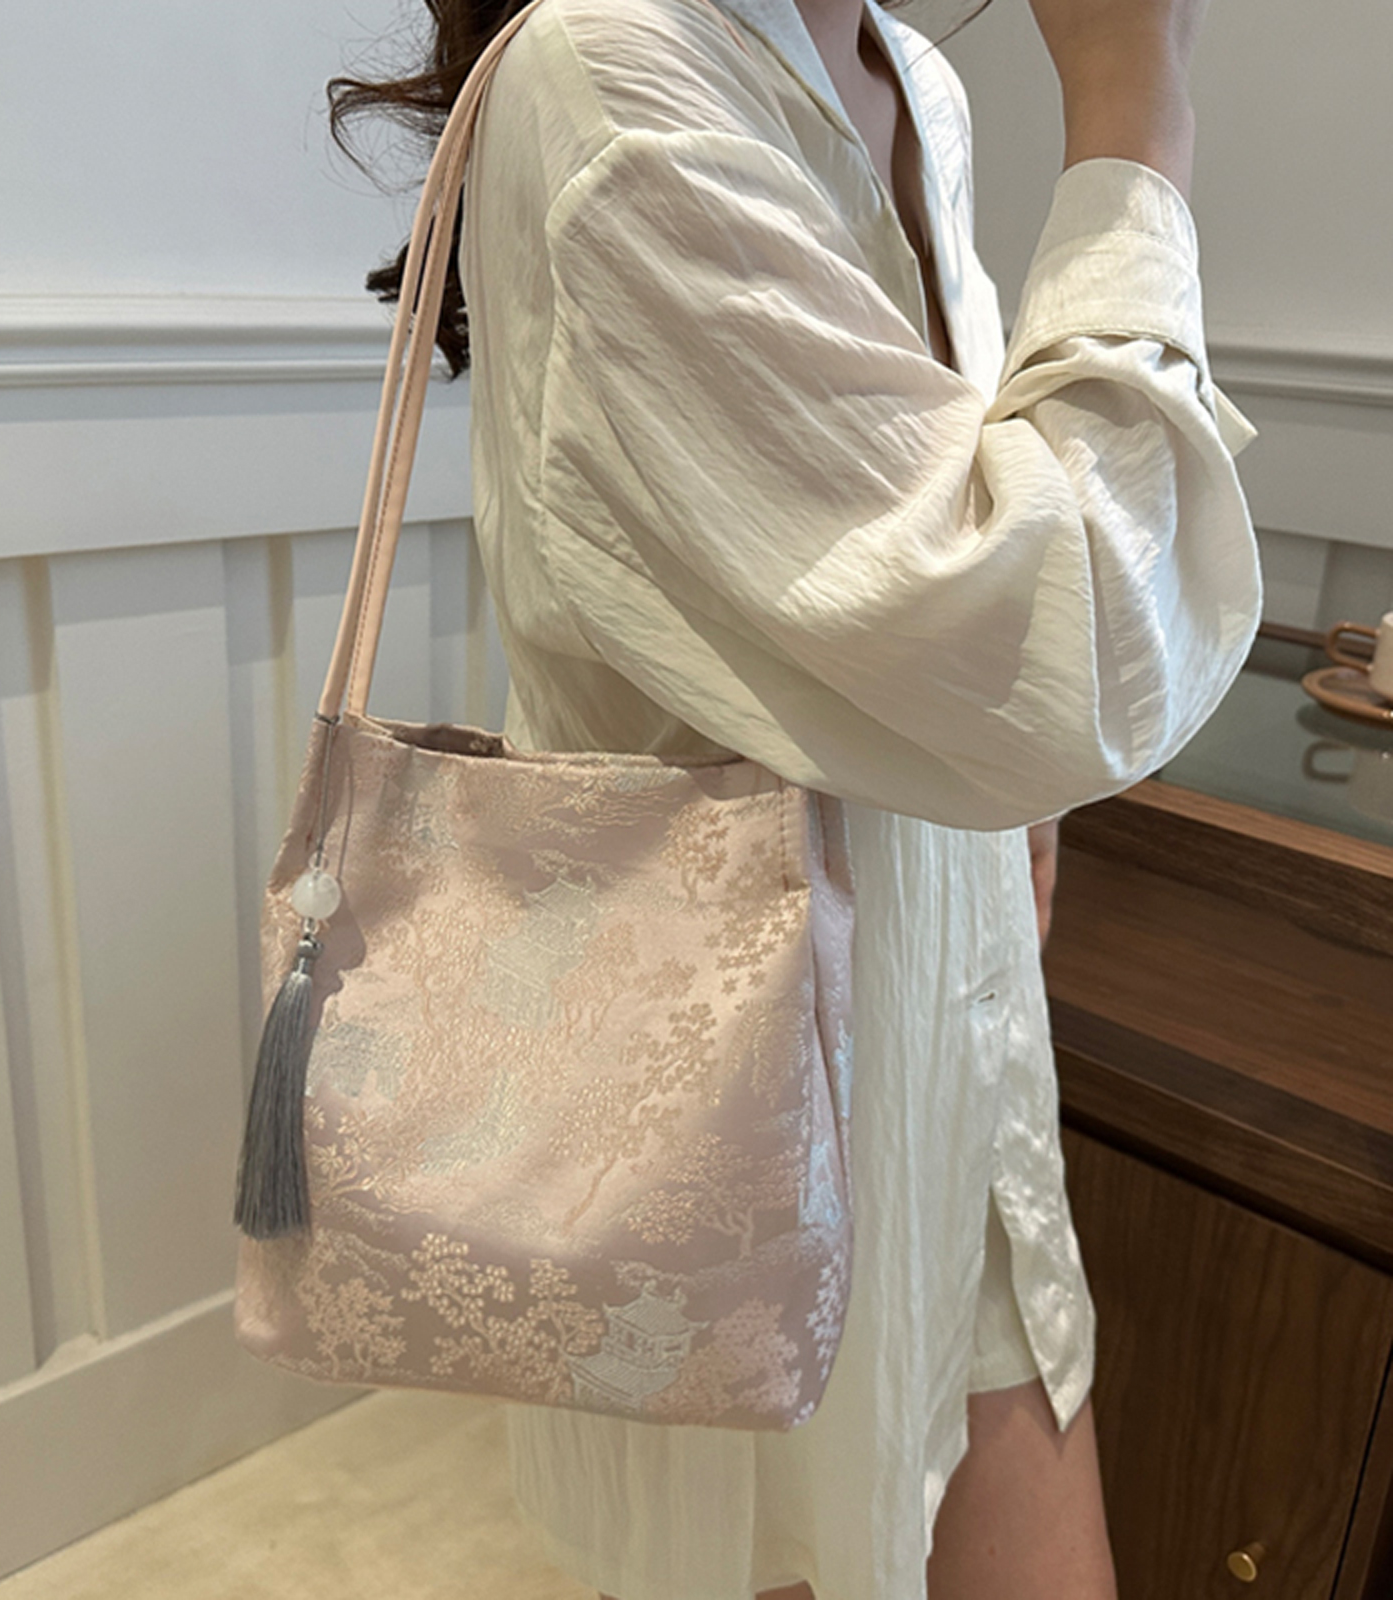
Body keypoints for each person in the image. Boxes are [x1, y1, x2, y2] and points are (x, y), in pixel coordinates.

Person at [328, 0, 1260, 1594]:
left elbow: (949, 548)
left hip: (945, 1048)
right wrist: (1135, 105)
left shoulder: (917, 78)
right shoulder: (611, 69)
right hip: (728, 1105)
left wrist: (1010, 792)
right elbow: (1078, 642)